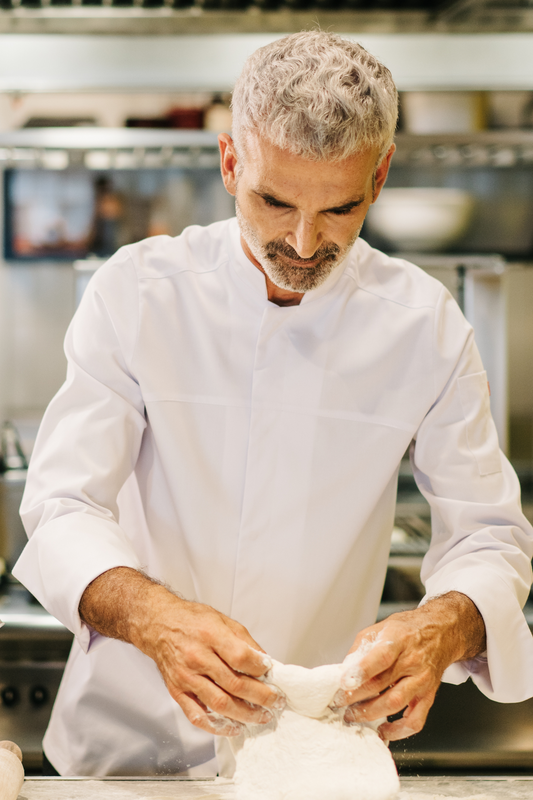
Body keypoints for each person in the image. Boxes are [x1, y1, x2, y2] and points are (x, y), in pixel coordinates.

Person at [13, 31, 533, 778]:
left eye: (339, 209)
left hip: (314, 751)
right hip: (126, 753)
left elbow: (489, 537)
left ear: (379, 176)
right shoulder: (137, 294)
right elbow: (63, 506)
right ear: (230, 163)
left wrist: (441, 628)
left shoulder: (426, 326)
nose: (301, 241)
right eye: (273, 199)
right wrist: (157, 621)